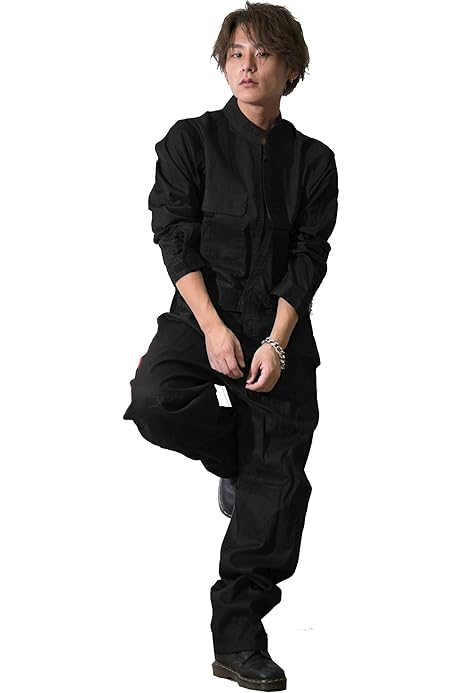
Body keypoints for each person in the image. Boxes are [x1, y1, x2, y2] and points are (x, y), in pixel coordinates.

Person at [122, 2, 338, 690]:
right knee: (156, 398)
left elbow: (308, 258)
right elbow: (173, 236)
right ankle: (232, 456)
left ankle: (239, 641)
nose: (247, 65)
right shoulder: (190, 141)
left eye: (263, 53)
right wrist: (214, 329)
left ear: (291, 69)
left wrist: (275, 341)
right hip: (201, 312)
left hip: (279, 325)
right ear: (223, 64)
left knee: (277, 488)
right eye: (236, 53)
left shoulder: (314, 161)